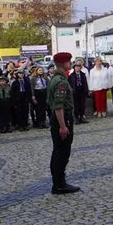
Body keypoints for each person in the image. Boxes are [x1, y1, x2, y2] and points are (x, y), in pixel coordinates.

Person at [47, 52, 80, 195]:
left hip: (60, 118)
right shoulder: (60, 81)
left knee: (58, 151)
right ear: (62, 64)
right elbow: (59, 106)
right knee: (62, 152)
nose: (71, 63)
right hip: (62, 118)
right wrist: (63, 126)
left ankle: (59, 182)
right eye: (69, 61)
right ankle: (59, 184)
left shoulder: (56, 78)